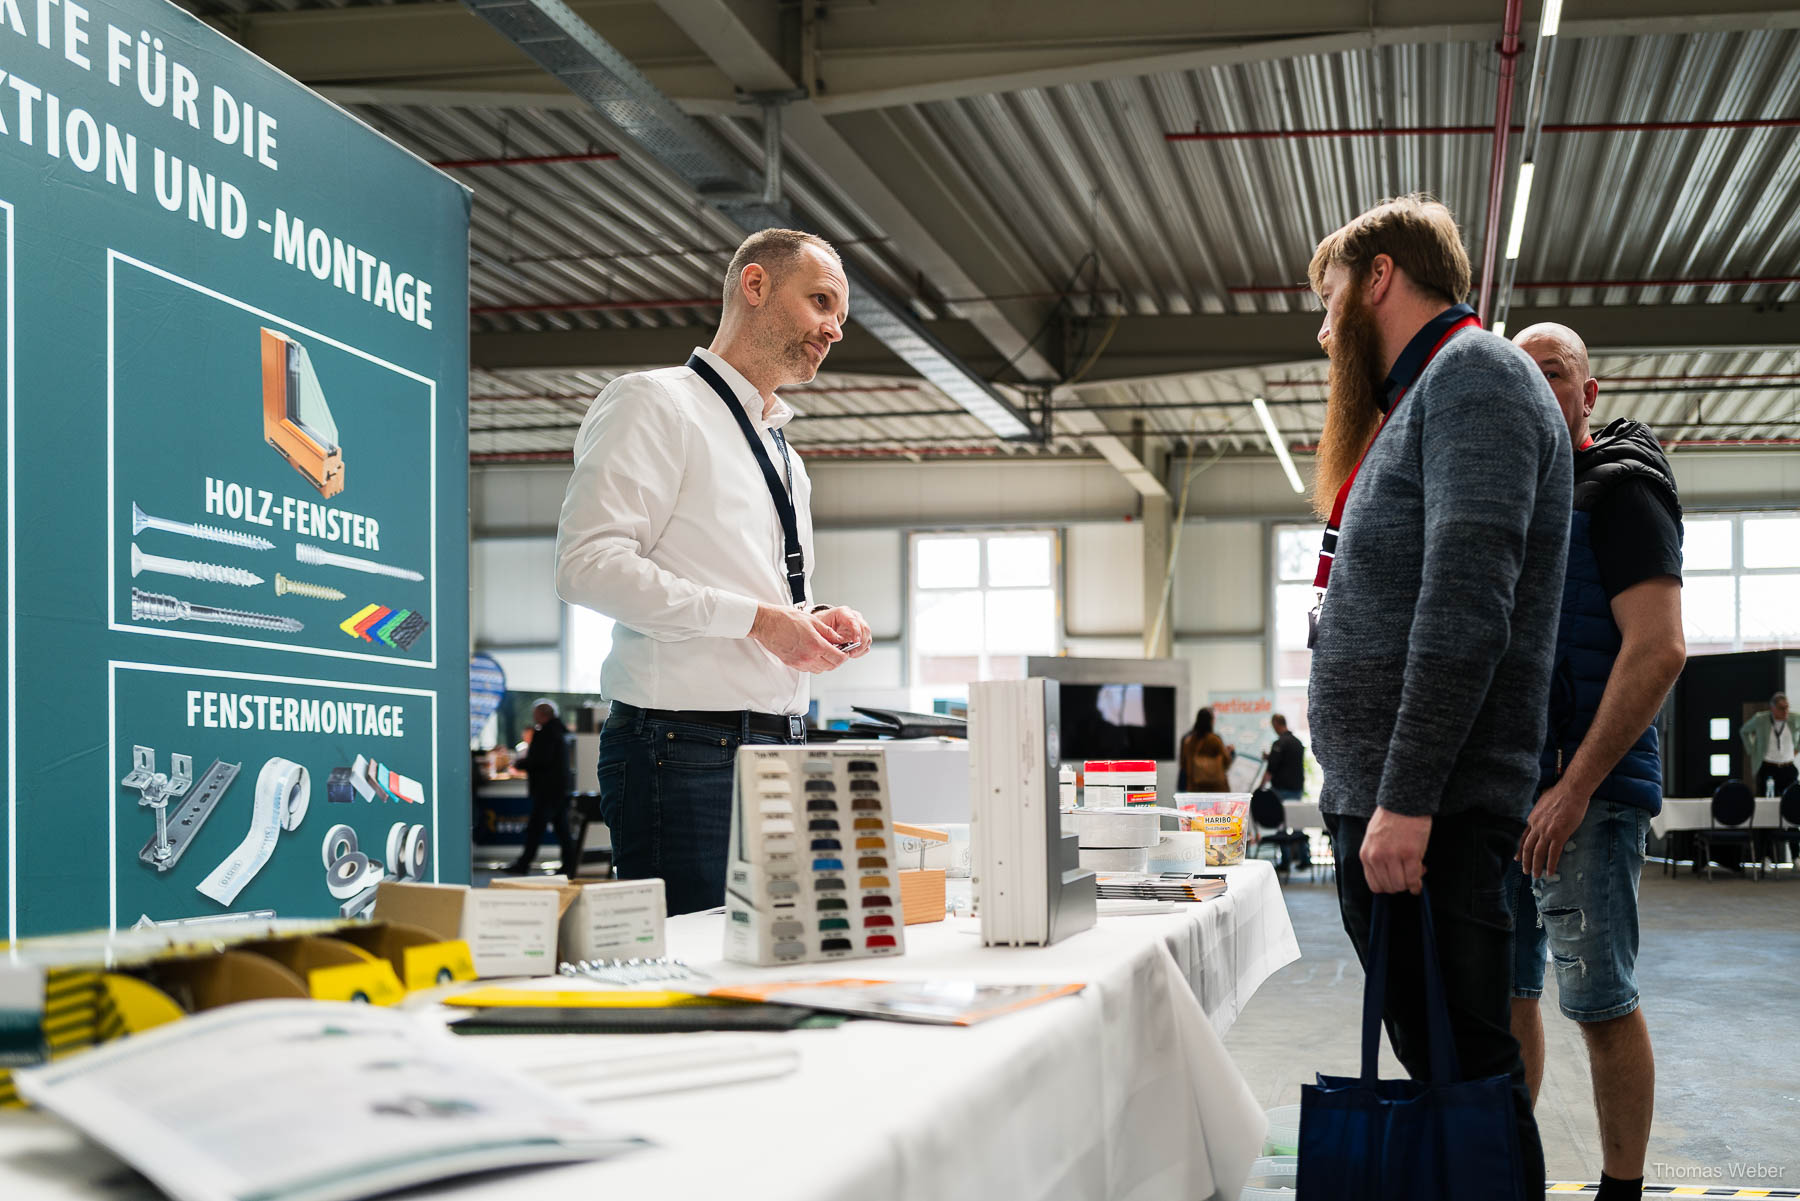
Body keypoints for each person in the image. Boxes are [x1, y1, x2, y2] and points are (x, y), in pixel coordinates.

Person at [1305, 195, 1568, 1200]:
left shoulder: (1474, 377)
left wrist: (1406, 796)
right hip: (1404, 798)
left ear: (1380, 278)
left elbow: (1467, 600)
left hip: (1434, 809)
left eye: (1334, 301)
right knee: (1448, 1066)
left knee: (1466, 1073)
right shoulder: (1428, 396)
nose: (1328, 331)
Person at [555, 228, 873, 915]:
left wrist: (812, 623)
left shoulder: (783, 450)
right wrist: (762, 621)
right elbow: (587, 567)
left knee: (766, 977)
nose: (833, 328)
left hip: (779, 746)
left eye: (840, 317)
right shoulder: (654, 403)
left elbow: (752, 592)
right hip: (684, 751)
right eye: (821, 302)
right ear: (754, 285)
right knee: (700, 993)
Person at [1507, 322, 1686, 1201]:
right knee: (1510, 997)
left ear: (1590, 393)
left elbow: (1657, 650)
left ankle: (1623, 1191)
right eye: (1522, 376)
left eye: (1555, 374)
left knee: (1601, 1001)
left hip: (1591, 798)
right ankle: (1508, 1174)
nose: (1538, 390)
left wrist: (1574, 788)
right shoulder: (1520, 496)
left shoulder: (1621, 492)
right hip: (1508, 796)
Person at [506, 700, 577, 875]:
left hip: (547, 789)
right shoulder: (562, 731)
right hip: (561, 788)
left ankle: (524, 864)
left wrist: (520, 763)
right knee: (562, 829)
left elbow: (541, 760)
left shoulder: (545, 733)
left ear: (540, 714)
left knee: (536, 829)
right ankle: (570, 865)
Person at [1740, 692, 1800, 796]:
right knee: (1768, 799)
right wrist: (1752, 750)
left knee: (1792, 800)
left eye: (1787, 707)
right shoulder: (1761, 719)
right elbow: (1744, 731)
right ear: (1773, 708)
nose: (1785, 711)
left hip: (1788, 767)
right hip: (1768, 768)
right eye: (1781, 708)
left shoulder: (1795, 718)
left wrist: (1798, 748)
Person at [1177, 707, 1233, 792]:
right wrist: (1229, 752)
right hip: (1215, 788)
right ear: (1211, 721)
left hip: (1195, 787)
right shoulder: (1215, 740)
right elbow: (1226, 762)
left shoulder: (1188, 741)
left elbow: (1183, 764)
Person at [1260, 714, 1306, 802]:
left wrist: (1259, 788)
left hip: (1281, 790)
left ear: (1276, 724)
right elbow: (1289, 761)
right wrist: (1270, 757)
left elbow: (1270, 769)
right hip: (1297, 790)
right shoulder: (1298, 742)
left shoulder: (1279, 743)